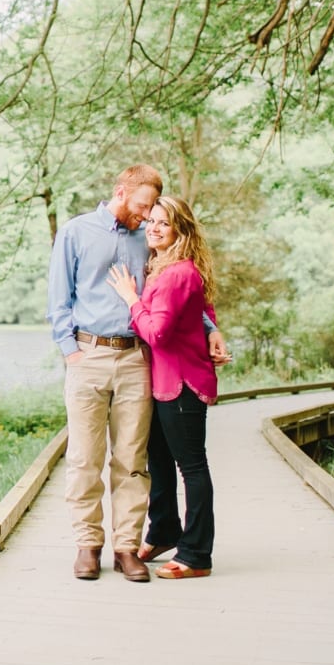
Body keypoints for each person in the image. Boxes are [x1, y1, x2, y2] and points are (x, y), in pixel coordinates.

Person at [47, 166, 229, 583]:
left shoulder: (149, 237)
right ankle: (87, 545)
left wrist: (211, 327)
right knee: (84, 458)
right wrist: (70, 352)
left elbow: (181, 289)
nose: (147, 217)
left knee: (132, 460)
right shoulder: (76, 232)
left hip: (136, 358)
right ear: (120, 192)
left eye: (153, 211)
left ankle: (126, 547)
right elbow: (59, 298)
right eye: (143, 207)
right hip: (88, 354)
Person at [108, 195, 220, 579]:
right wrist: (214, 330)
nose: (153, 228)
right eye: (151, 221)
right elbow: (205, 309)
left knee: (192, 467)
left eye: (164, 223)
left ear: (180, 231)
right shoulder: (162, 267)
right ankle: (165, 529)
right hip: (161, 381)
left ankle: (196, 555)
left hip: (183, 383)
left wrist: (131, 300)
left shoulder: (175, 274)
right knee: (158, 459)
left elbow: (156, 332)